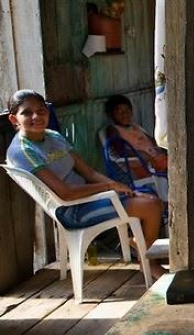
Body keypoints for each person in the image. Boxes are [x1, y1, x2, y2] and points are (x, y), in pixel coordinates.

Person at [6, 90, 166, 279]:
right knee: (152, 205)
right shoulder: (22, 151)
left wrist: (115, 185)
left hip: (89, 197)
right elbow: (64, 194)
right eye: (27, 113)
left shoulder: (53, 137)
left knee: (148, 198)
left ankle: (142, 246)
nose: (36, 117)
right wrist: (109, 187)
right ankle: (147, 261)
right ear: (13, 119)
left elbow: (88, 172)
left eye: (41, 111)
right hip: (71, 209)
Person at [103, 94, 194, 211]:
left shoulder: (135, 126)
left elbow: (154, 141)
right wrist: (140, 153)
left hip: (158, 159)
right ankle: (185, 209)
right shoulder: (113, 129)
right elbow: (119, 151)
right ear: (111, 114)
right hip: (145, 166)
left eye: (127, 110)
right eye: (119, 112)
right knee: (185, 169)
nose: (124, 114)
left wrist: (166, 147)